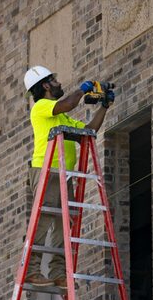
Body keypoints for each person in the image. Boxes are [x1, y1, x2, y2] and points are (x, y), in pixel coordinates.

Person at [23, 66, 114, 287]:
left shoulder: (62, 116)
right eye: (55, 80)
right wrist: (84, 88)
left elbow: (88, 133)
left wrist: (104, 107)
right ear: (45, 85)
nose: (59, 83)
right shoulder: (41, 107)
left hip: (64, 175)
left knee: (64, 225)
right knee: (43, 222)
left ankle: (58, 272)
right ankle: (31, 271)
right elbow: (70, 103)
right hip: (46, 172)